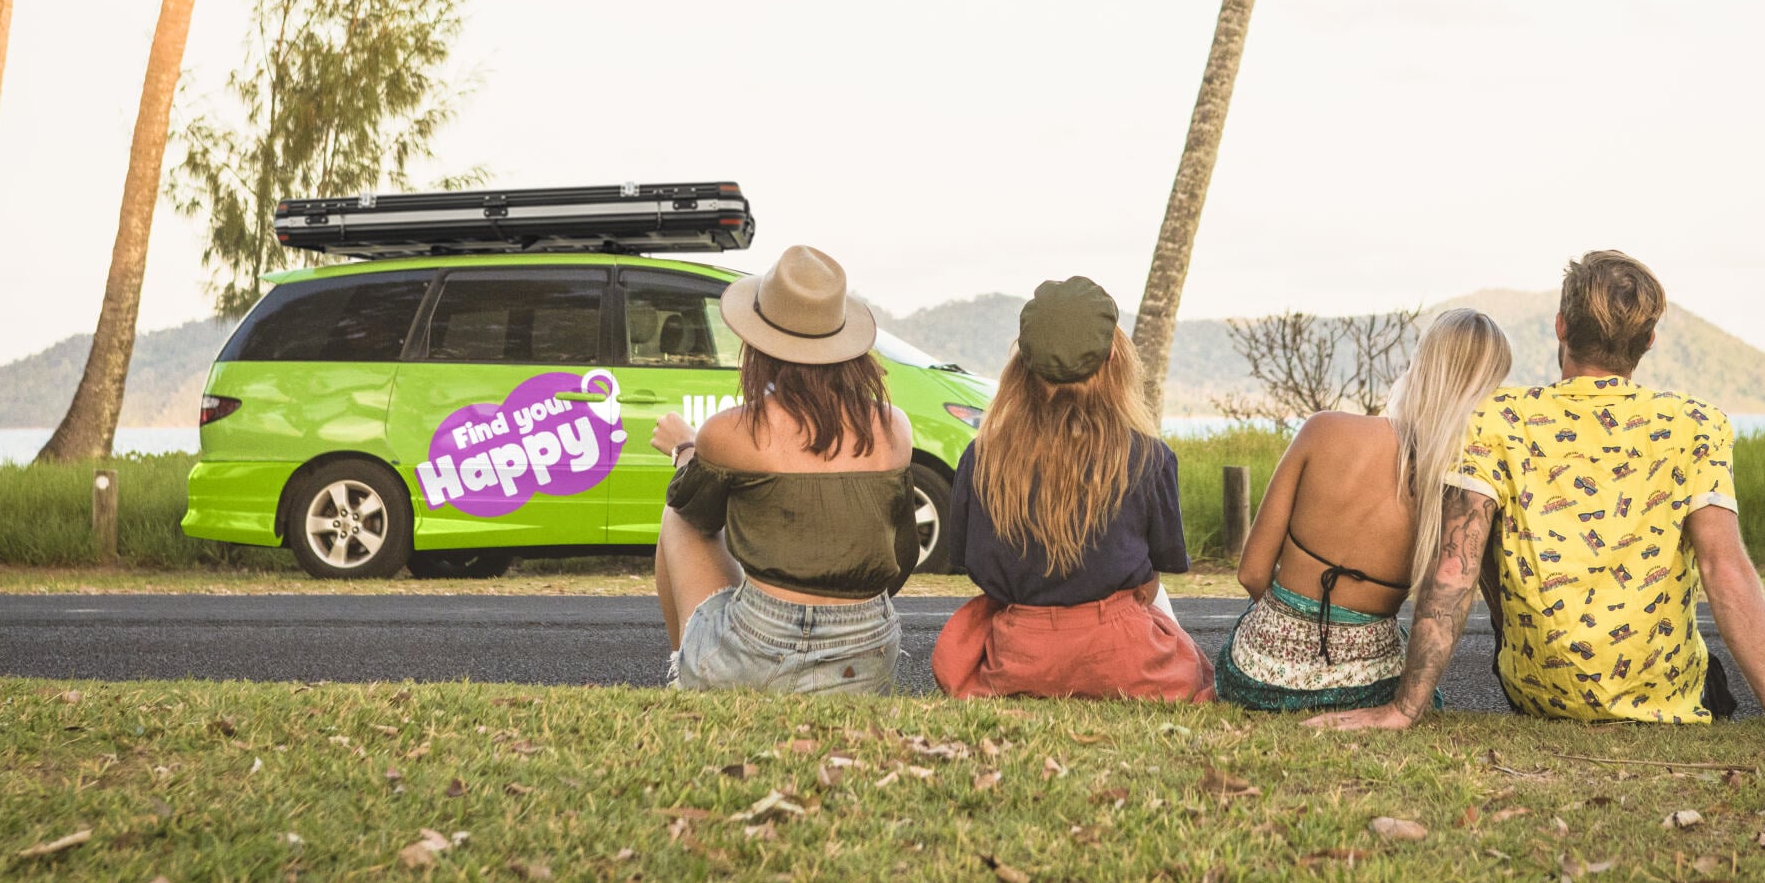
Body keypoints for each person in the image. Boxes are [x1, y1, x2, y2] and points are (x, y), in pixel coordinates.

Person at [1306, 250, 1765, 738]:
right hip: (1665, 699)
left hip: (1540, 694)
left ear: (1560, 326)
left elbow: (1454, 568)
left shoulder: (1495, 419)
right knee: (1713, 679)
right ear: (1650, 340)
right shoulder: (1696, 424)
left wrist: (1404, 710)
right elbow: (1724, 568)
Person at [1214, 307, 1515, 712]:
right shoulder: (1460, 487)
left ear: (1420, 362)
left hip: (1259, 676)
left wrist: (1290, 628)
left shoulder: (1323, 429)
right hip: (1370, 688)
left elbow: (1251, 574)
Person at [649, 245, 920, 694]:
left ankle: (686, 675)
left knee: (676, 516)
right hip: (866, 657)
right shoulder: (894, 428)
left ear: (759, 345)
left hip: (756, 650)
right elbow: (902, 555)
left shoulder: (730, 431)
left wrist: (684, 449)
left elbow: (696, 510)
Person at [931, 277, 1212, 700]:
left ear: (1022, 364)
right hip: (1124, 657)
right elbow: (1156, 573)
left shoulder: (980, 457)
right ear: (1115, 355)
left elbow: (975, 567)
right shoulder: (1150, 457)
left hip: (1020, 657)